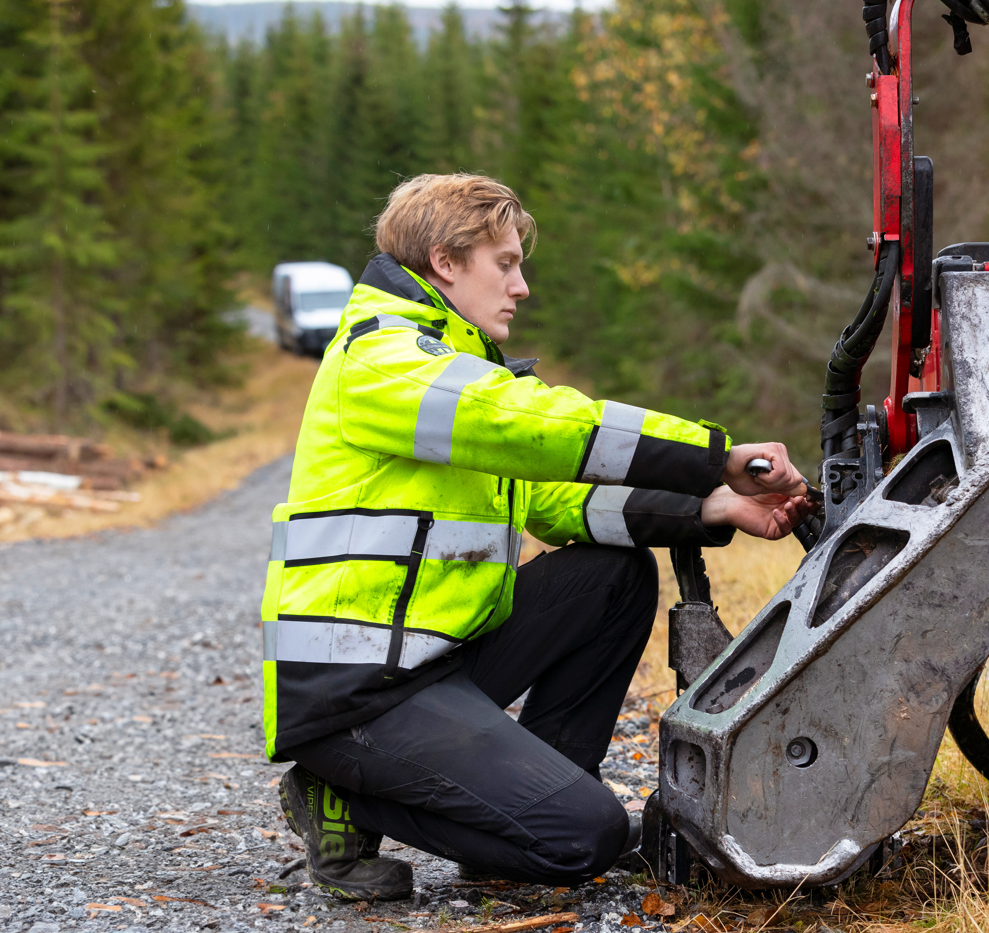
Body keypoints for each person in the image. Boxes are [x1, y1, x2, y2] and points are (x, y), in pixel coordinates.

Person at [261, 173, 810, 900]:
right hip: (356, 692)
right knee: (587, 838)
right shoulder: (382, 361)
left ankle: (524, 816)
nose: (520, 286)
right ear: (446, 262)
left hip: (433, 660)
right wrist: (716, 455)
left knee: (614, 577)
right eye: (506, 263)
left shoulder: (454, 363)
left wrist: (713, 505)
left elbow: (560, 503)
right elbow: (531, 423)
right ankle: (337, 792)